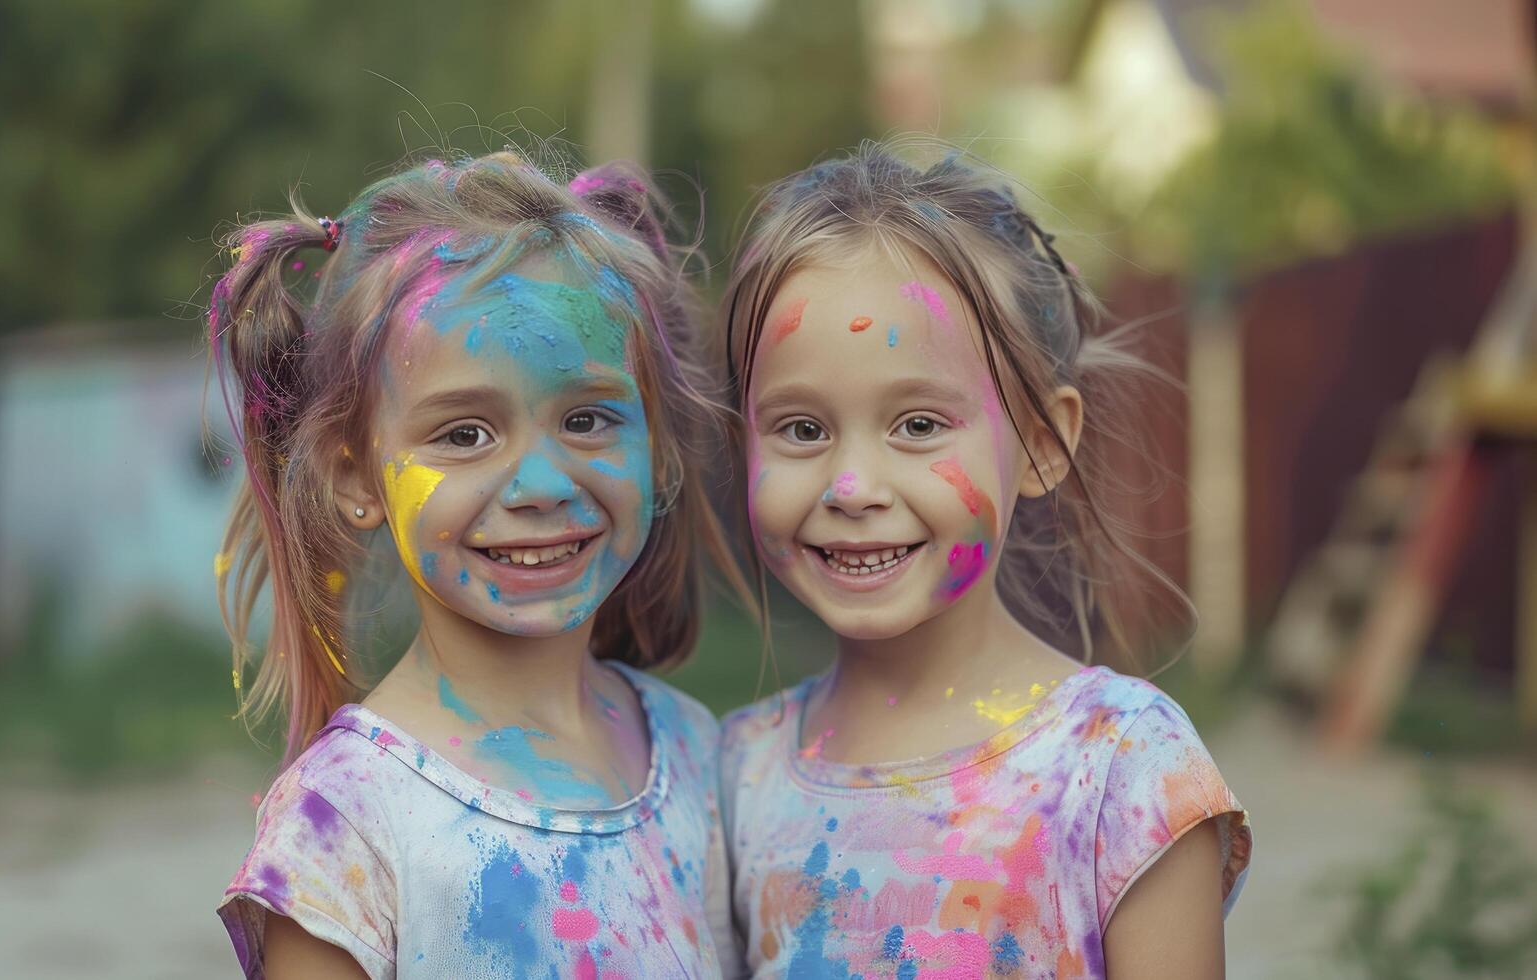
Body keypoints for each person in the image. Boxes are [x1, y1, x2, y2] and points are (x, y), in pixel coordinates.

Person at [717, 142, 1252, 979]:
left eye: (919, 425)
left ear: (1039, 447)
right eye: (801, 429)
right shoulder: (732, 774)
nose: (851, 486)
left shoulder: (1120, 768)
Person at [209, 151, 746, 978]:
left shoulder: (694, 753)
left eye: (589, 418)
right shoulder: (343, 822)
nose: (539, 485)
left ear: (662, 449)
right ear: (356, 475)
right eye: (463, 434)